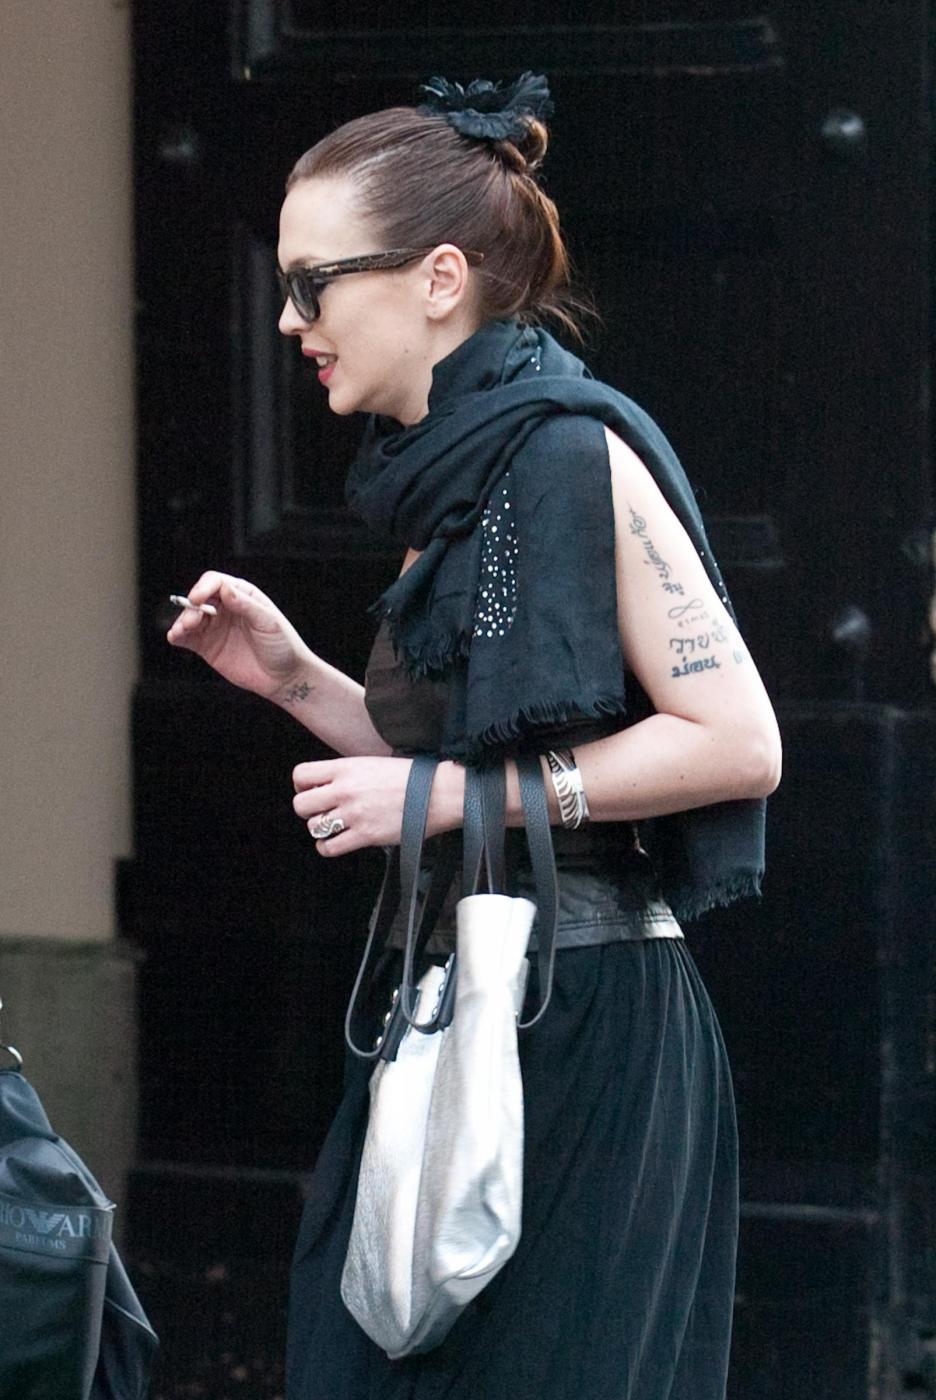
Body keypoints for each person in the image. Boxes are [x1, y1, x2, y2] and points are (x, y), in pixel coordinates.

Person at [167, 72, 781, 1400]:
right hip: (460, 1005)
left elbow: (736, 741)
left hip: (583, 1026)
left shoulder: (566, 452)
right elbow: (448, 765)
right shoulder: (447, 472)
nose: (290, 319)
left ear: (437, 278)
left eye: (314, 283)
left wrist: (450, 800)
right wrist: (294, 678)